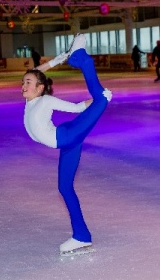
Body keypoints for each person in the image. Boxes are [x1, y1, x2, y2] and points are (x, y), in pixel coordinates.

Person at [21, 34, 112, 255]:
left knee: (101, 99)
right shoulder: (31, 99)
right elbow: (38, 72)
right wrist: (59, 59)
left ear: (40, 88)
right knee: (64, 188)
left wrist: (93, 104)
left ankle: (83, 59)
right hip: (66, 144)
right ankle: (81, 236)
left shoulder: (45, 100)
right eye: (23, 82)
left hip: (68, 136)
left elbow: (76, 108)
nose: (23, 85)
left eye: (28, 83)